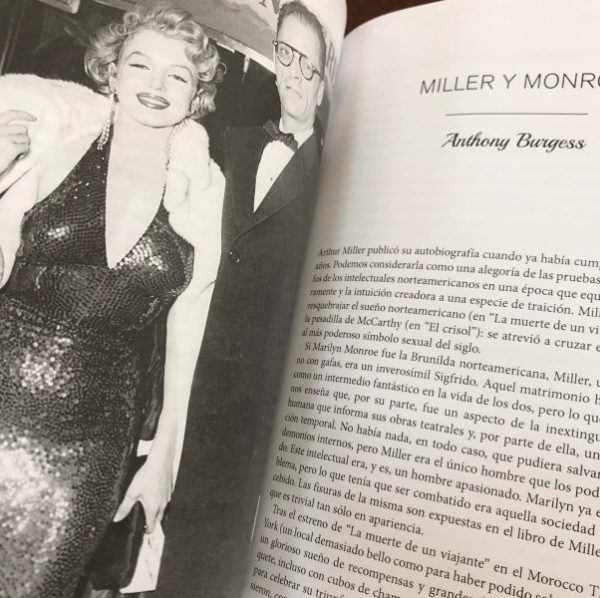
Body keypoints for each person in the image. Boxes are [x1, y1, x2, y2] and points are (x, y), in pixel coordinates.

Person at [0, 4, 222, 598]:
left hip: (93, 441)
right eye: (140, 64)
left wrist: (164, 459)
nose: (156, 85)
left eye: (178, 75)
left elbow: (189, 339)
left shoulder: (203, 191)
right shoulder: (52, 141)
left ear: (197, 94)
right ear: (112, 72)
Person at [155, 2, 327, 596]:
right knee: (169, 531)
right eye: (286, 55)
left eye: (309, 64)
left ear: (326, 80)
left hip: (262, 394)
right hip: (195, 365)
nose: (293, 74)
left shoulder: (335, 176)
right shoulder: (234, 141)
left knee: (224, 550)